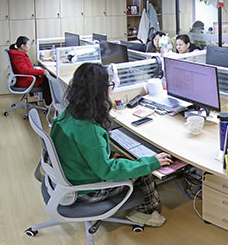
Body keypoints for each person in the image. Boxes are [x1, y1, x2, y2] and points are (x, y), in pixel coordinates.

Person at [50, 63, 168, 227]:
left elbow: (82, 151)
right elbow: (107, 171)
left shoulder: (68, 113)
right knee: (144, 169)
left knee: (132, 161)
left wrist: (110, 156)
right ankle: (146, 212)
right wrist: (150, 162)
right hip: (84, 190)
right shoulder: (89, 130)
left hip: (69, 176)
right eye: (109, 85)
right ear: (100, 91)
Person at [7, 36, 53, 105]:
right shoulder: (18, 56)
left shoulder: (19, 54)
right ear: (22, 46)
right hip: (25, 81)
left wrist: (40, 71)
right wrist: (42, 72)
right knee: (47, 80)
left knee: (45, 78)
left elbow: (27, 69)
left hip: (25, 78)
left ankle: (48, 103)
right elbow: (24, 71)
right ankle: (48, 104)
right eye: (28, 44)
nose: (29, 46)